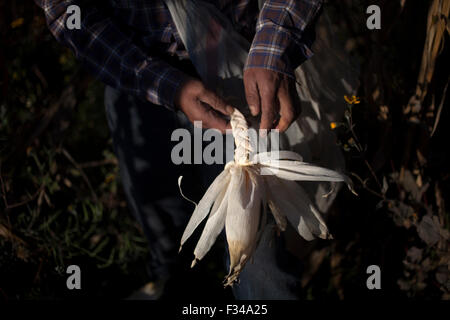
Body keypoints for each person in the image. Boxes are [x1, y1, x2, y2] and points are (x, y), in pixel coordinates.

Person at [34, 0, 323, 299]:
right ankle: (176, 284)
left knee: (259, 259)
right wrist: (166, 85)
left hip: (237, 70)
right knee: (162, 225)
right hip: (133, 74)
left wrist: (272, 46)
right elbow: (65, 10)